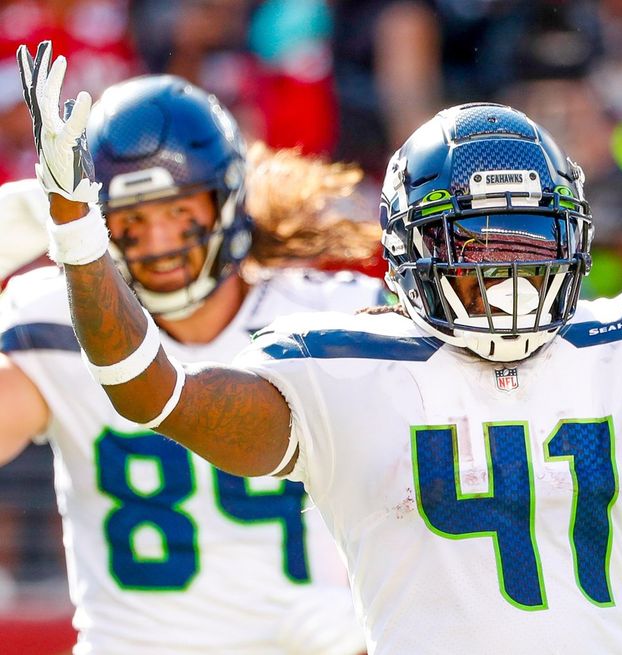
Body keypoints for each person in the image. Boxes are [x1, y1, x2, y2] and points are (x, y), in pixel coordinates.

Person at [15, 11, 622, 653]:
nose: (506, 272)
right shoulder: (345, 367)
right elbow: (154, 391)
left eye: (528, 243)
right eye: (475, 246)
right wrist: (72, 229)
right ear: (413, 252)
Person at [0, 74, 380, 654]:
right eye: (130, 219)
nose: (157, 243)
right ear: (97, 223)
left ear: (225, 201)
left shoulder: (329, 316)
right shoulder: (56, 320)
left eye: (178, 212)